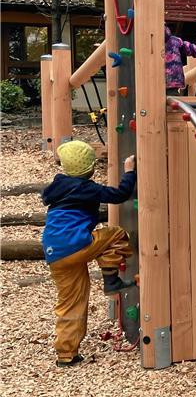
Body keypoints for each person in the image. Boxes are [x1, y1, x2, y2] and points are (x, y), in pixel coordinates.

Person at [41, 141, 136, 367]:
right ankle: (111, 278)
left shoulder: (57, 186)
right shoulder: (87, 188)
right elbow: (120, 194)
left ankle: (66, 354)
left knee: (70, 301)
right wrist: (129, 172)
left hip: (54, 253)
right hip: (76, 245)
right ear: (91, 168)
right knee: (115, 235)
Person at [164, 25, 196, 96]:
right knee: (173, 101)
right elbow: (192, 49)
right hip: (173, 81)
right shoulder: (175, 41)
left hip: (154, 81)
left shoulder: (148, 42)